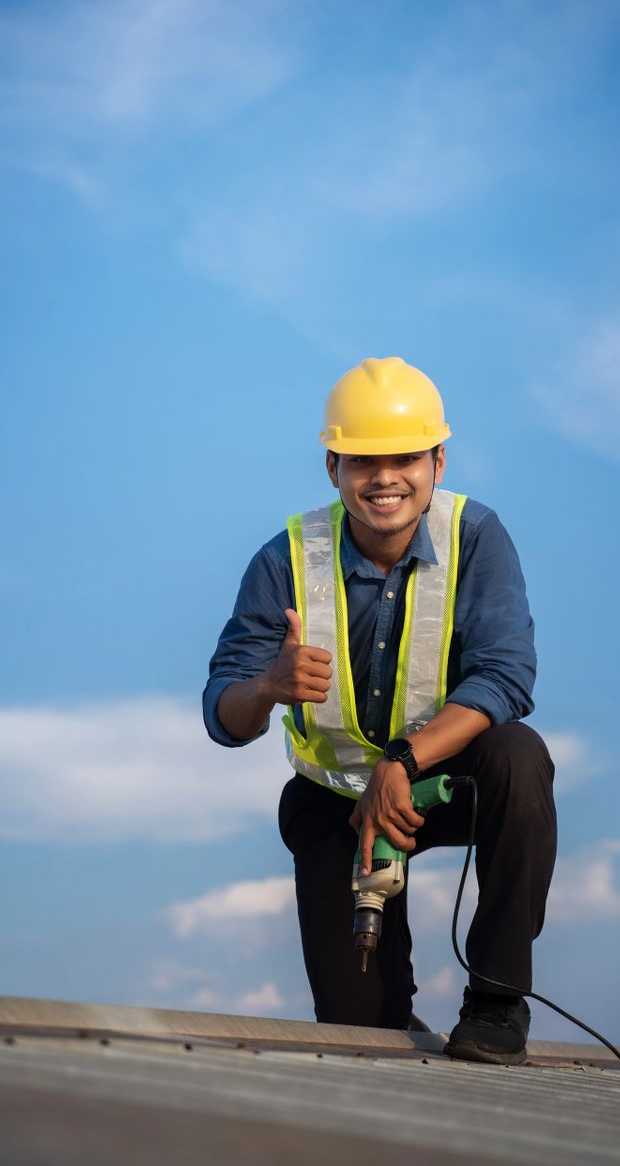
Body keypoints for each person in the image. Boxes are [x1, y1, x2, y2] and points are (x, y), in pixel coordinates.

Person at [203, 356, 557, 1065]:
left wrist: (404, 760)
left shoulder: (476, 537)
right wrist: (269, 688)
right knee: (362, 1034)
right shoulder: (285, 561)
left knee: (519, 756)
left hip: (441, 784)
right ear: (333, 466)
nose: (385, 477)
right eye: (363, 460)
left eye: (406, 457)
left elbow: (506, 675)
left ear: (437, 460)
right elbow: (223, 713)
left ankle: (495, 1001)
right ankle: (387, 1005)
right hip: (336, 804)